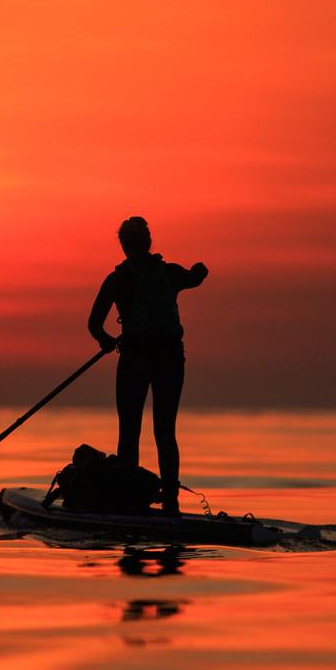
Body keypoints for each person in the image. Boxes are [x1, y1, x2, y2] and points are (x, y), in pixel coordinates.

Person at [88, 216, 208, 515]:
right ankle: (171, 502)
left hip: (136, 359)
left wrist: (105, 340)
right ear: (148, 242)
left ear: (124, 246)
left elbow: (94, 324)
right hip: (169, 358)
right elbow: (195, 278)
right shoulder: (169, 273)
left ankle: (128, 501)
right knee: (165, 431)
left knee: (129, 431)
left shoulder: (117, 280)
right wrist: (199, 270)